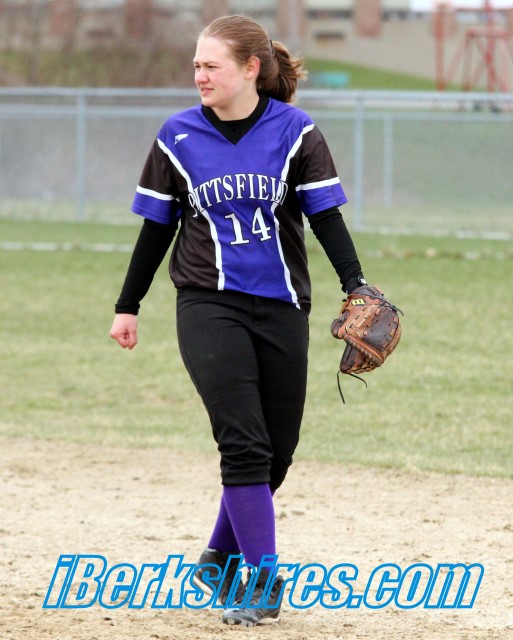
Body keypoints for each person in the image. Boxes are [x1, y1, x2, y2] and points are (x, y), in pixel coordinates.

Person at [109, 14, 367, 627]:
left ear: (251, 69)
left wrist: (355, 284)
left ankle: (218, 558)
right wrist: (128, 304)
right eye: (196, 65)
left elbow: (325, 217)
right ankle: (263, 578)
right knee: (244, 443)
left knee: (277, 453)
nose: (199, 75)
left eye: (211, 65)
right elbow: (156, 230)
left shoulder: (296, 132)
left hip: (282, 303)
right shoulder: (177, 135)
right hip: (208, 303)